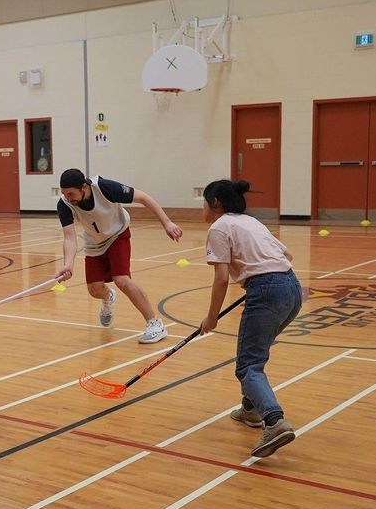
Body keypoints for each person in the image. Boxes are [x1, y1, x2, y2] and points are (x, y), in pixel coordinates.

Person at [199, 179, 303, 459]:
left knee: (248, 366)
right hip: (292, 288)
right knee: (256, 354)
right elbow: (287, 254)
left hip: (267, 291)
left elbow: (221, 279)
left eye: (205, 201)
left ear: (216, 203)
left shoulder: (219, 228)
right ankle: (251, 409)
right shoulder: (250, 222)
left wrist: (211, 317)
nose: (203, 207)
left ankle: (274, 421)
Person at [55, 169, 183, 344]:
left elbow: (144, 198)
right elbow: (69, 237)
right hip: (94, 243)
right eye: (64, 193)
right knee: (94, 290)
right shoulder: (65, 204)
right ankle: (108, 297)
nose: (68, 197)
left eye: (71, 193)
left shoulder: (105, 188)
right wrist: (68, 264)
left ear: (84, 186)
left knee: (121, 279)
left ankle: (155, 324)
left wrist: (167, 222)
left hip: (117, 235)